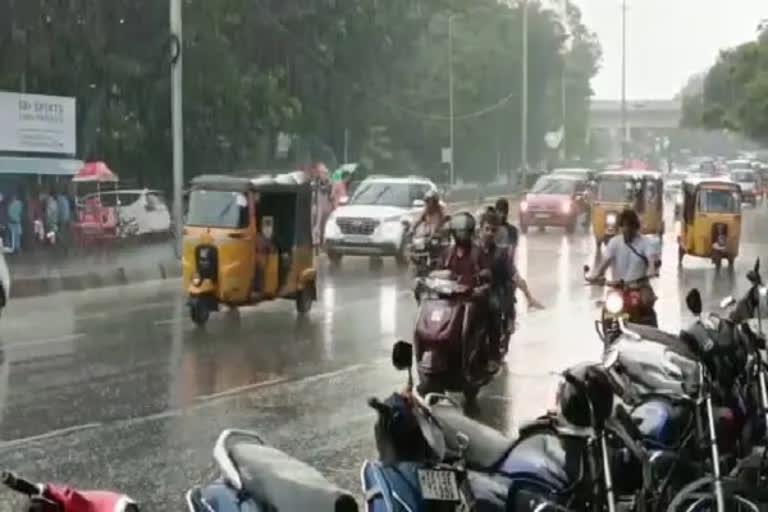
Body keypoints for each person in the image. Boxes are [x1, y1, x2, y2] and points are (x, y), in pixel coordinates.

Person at [478, 210, 543, 360]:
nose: (489, 233)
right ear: (480, 229)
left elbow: (516, 276)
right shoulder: (472, 250)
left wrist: (529, 297)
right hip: (472, 293)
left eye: (493, 230)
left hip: (493, 294)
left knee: (492, 313)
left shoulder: (500, 254)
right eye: (486, 229)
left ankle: (493, 355)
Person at [587, 208, 658, 326]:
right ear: (620, 227)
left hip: (639, 286)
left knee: (647, 302)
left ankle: (650, 330)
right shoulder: (614, 243)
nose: (626, 229)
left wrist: (651, 270)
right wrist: (595, 276)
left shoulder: (646, 243)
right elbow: (604, 263)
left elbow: (651, 260)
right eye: (624, 226)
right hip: (618, 287)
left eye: (630, 226)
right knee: (607, 311)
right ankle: (608, 334)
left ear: (636, 227)